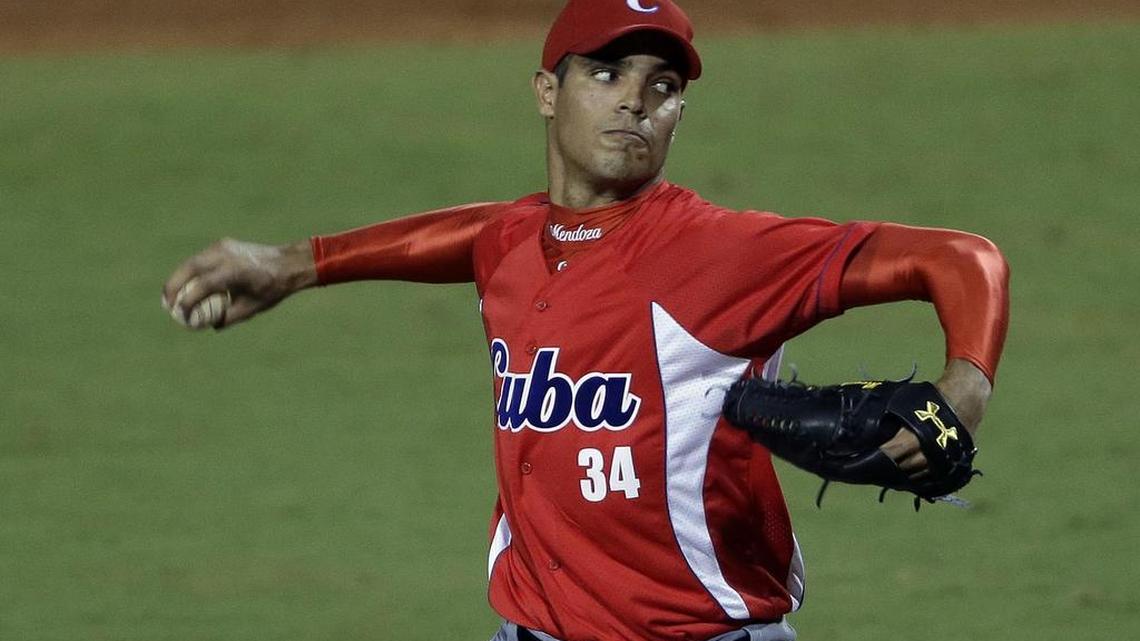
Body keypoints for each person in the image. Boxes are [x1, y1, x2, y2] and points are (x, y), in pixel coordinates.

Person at [162, 1, 1009, 640]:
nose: (635, 101)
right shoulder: (513, 242)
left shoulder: (724, 253)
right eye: (606, 74)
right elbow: (481, 233)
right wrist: (295, 263)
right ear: (546, 90)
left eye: (662, 86)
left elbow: (963, 258)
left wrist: (965, 383)